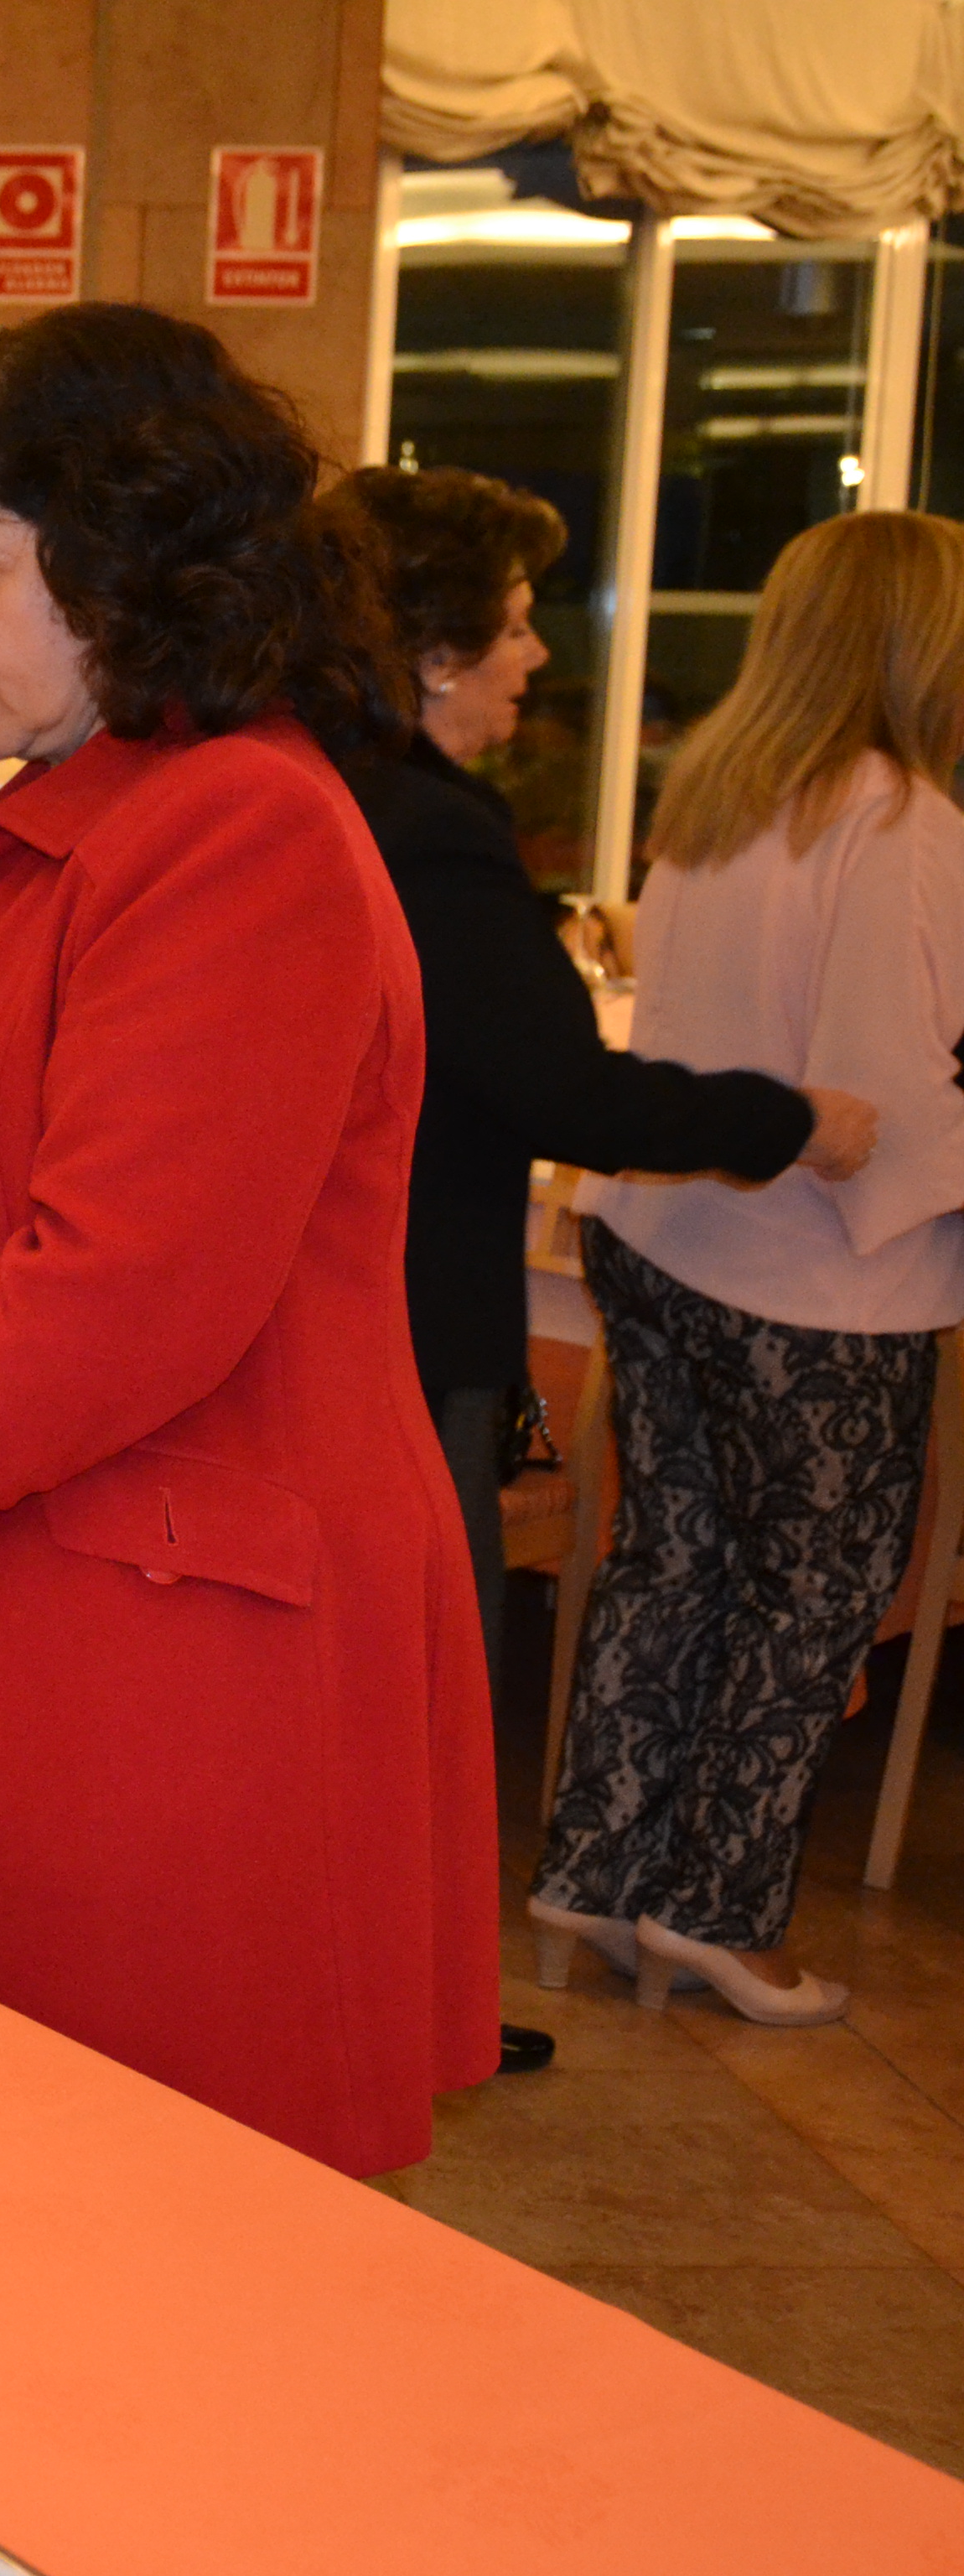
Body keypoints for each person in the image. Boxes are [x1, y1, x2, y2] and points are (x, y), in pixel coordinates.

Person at [0, 304, 497, 2177]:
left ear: (134, 554)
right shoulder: (74, 824)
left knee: (163, 2222)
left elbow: (120, 1292)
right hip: (68, 1592)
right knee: (36, 2200)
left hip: (186, 1662)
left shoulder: (239, 829)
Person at [322, 469, 878, 2075]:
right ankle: (400, 2007)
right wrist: (792, 1119)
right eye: (510, 626)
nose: (535, 659)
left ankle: (387, 1990)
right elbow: (565, 1094)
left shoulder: (320, 786)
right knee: (418, 1678)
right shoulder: (430, 829)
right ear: (432, 650)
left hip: (346, 1300)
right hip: (406, 1312)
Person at [530, 511, 964, 2028]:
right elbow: (883, 1084)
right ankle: (719, 1914)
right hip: (815, 1275)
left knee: (672, 1562)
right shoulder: (903, 816)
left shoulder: (721, 788)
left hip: (661, 1238)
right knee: (814, 1592)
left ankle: (594, 1872)